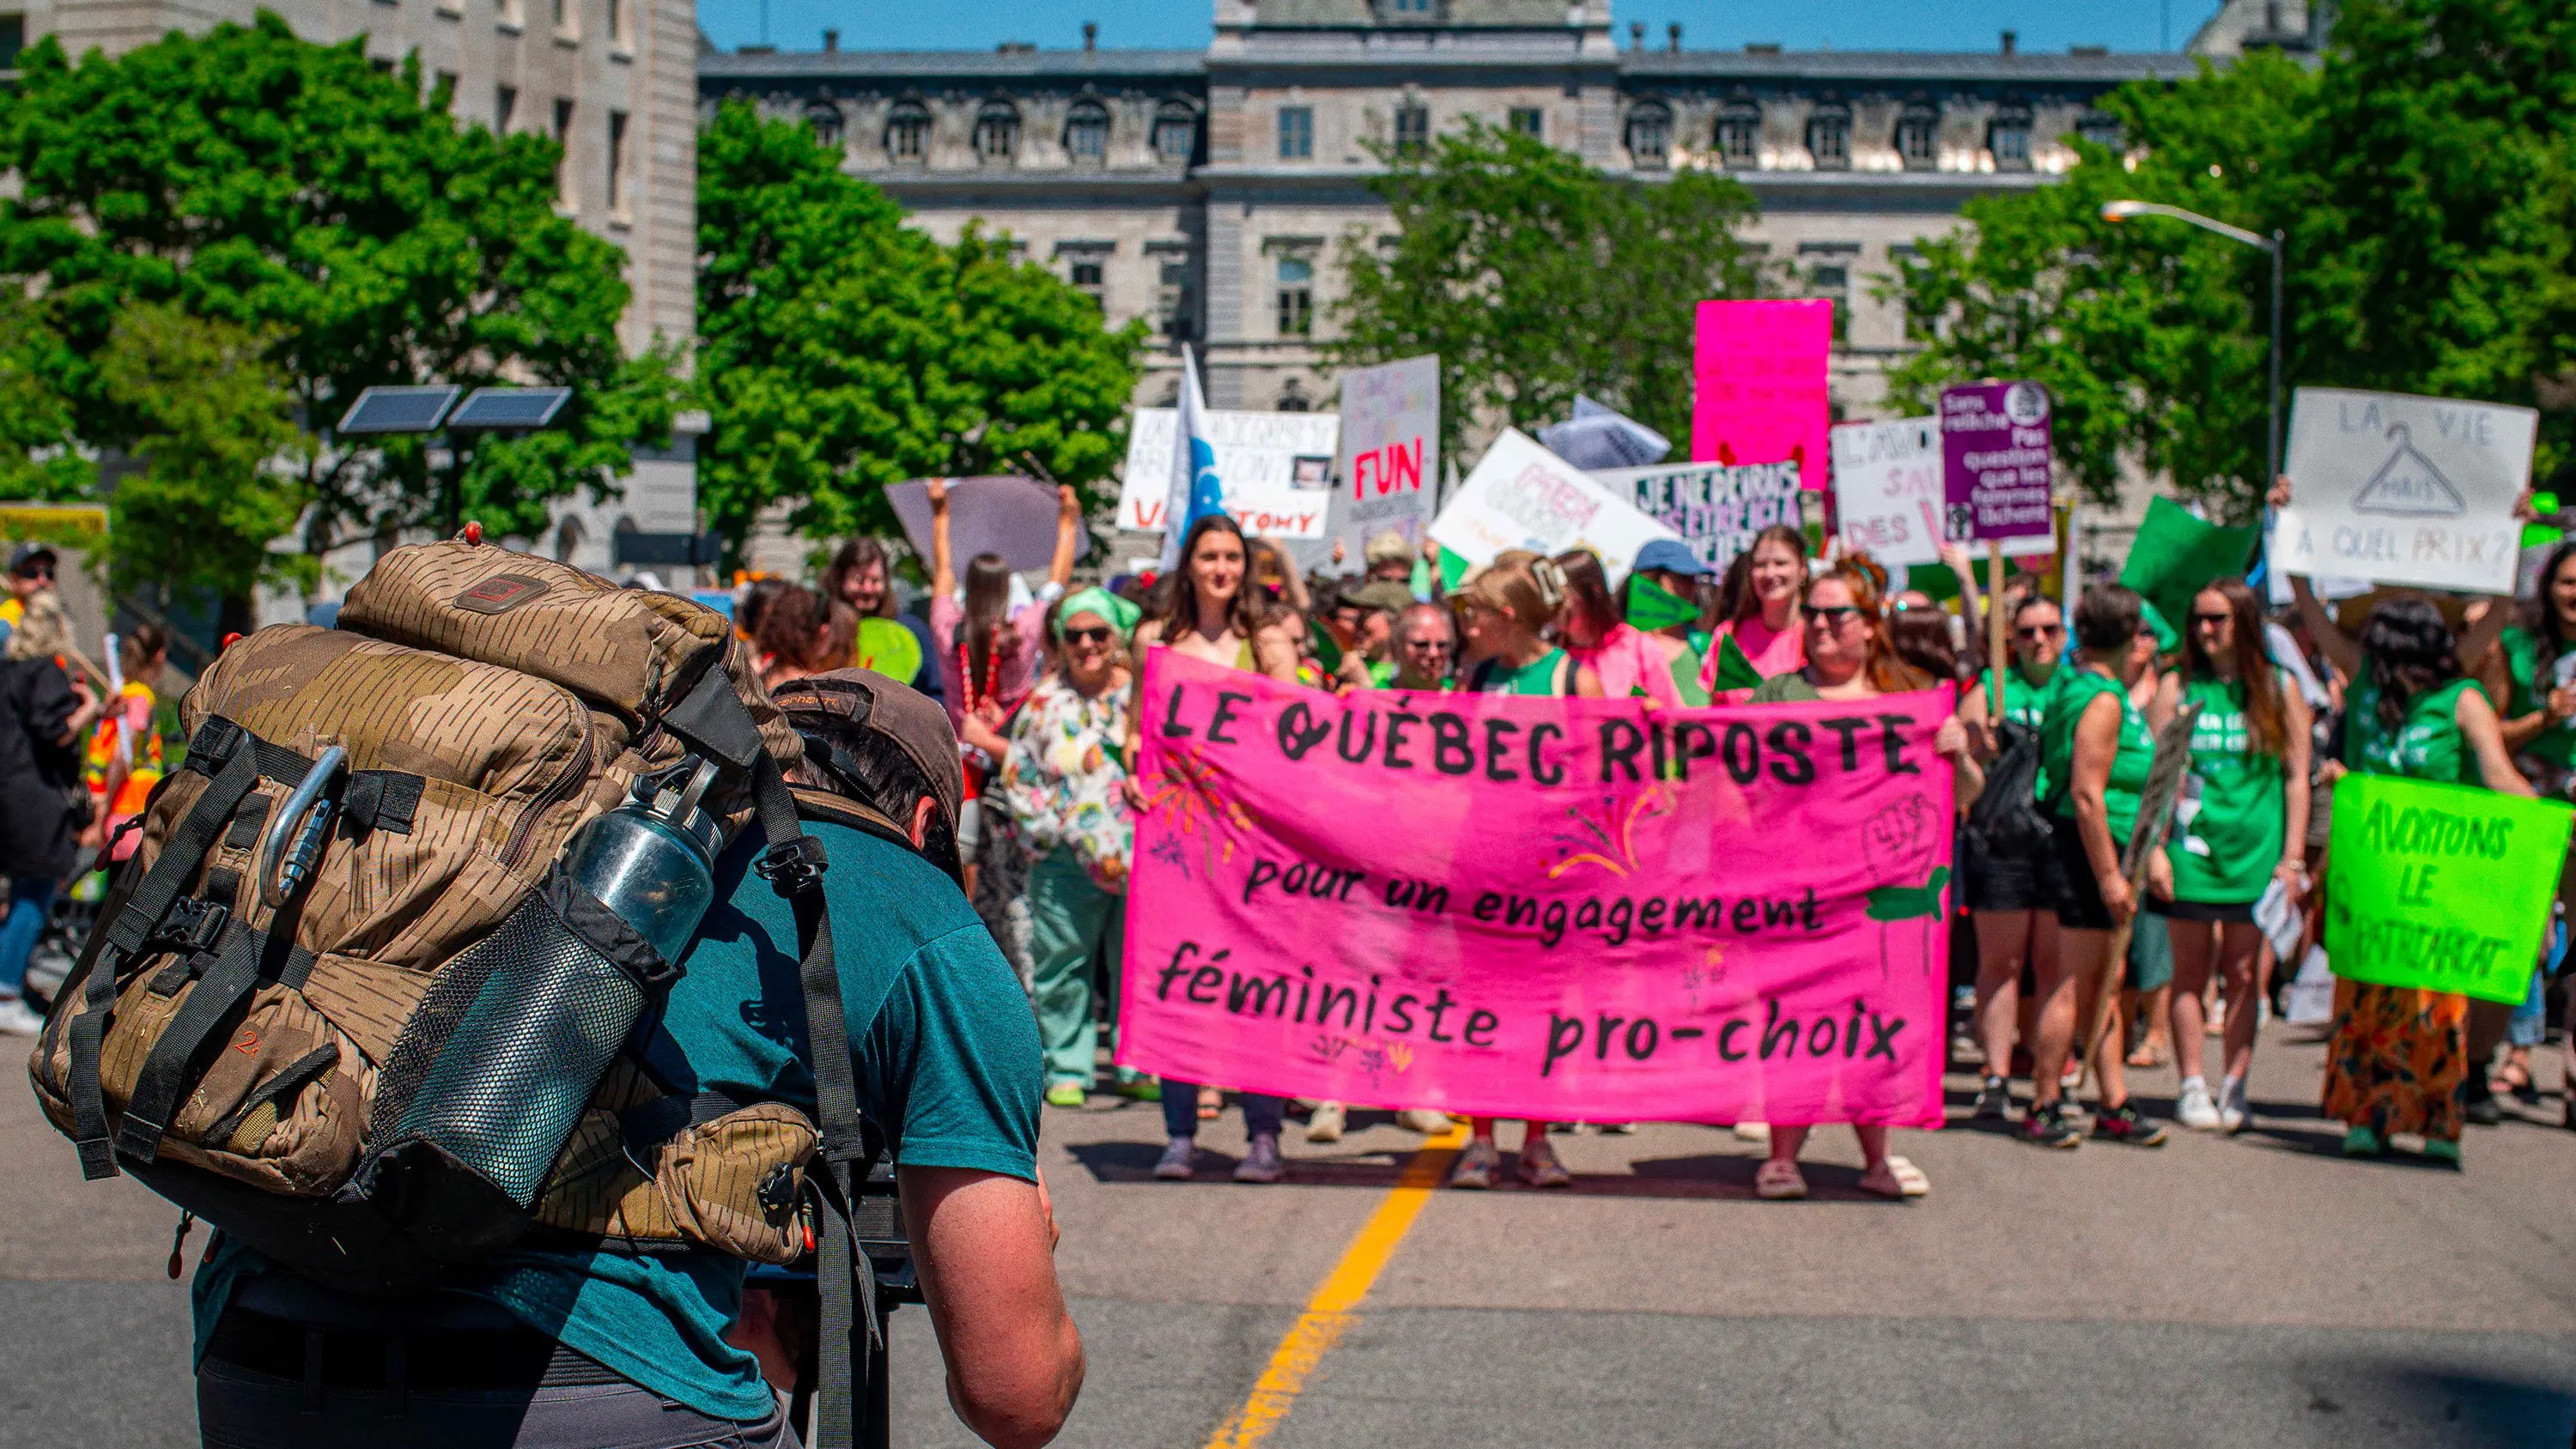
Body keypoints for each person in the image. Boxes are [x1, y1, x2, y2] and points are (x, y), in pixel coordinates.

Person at [193, 666, 1084, 1449]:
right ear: (926, 818)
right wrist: (1029, 1250)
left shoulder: (570, 832)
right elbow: (1015, 1397)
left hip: (257, 1356)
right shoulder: (915, 907)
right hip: (587, 1395)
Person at [1745, 562, 1982, 1198]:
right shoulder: (1777, 696)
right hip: (1799, 895)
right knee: (1791, 1023)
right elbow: (1741, 783)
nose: (1820, 625)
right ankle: (1783, 1156)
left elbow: (1963, 797)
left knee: (1876, 1023)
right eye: (1813, 614)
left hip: (1881, 900)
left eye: (1836, 615)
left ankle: (1877, 1157)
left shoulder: (1911, 696)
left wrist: (1958, 753)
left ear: (1871, 627)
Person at [2287, 587, 2531, 1162]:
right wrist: (2291, 537)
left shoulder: (2461, 700)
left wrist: (2554, 822)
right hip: (2371, 877)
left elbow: (2499, 776)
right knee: (2368, 998)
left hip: (2437, 884)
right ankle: (2365, 1115)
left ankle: (2437, 1120)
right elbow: (2321, 626)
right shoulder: (2367, 683)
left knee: (2436, 1003)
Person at [1124, 512, 1302, 1183]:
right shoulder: (1154, 640)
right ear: (1189, 565)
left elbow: (1297, 739)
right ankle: (1179, 1133)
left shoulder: (1269, 642)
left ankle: (1263, 1134)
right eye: (1210, 557)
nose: (1222, 569)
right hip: (1181, 843)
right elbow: (1137, 732)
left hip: (1256, 845)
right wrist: (1136, 779)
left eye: (1232, 557)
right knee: (1178, 978)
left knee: (1260, 989)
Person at [1443, 552, 1602, 1189]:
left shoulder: (1572, 680)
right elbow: (1443, 761)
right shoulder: (1475, 677)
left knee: (1542, 1010)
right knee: (1480, 1007)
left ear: (1504, 618)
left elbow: (1600, 780)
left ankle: (1537, 1138)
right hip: (1479, 866)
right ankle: (1480, 1138)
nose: (1465, 622)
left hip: (1548, 877)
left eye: (1472, 612)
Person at [2145, 579, 2312, 1132]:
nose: (2204, 629)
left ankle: (2235, 1085)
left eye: (2217, 618)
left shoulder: (2277, 685)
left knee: (2245, 974)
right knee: (2189, 971)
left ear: (2245, 621)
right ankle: (2192, 1083)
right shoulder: (2178, 684)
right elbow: (2158, 779)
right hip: (2190, 851)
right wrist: (2154, 852)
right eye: (2198, 618)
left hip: (2256, 855)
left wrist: (2291, 859)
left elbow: (2296, 778)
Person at [2024, 585, 2170, 1150]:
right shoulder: (2101, 699)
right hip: (2090, 851)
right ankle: (2045, 1100)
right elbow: (2087, 794)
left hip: (2103, 849)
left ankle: (2113, 1100)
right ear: (2131, 638)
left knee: (2105, 985)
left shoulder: (2086, 686)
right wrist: (2109, 875)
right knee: (2072, 983)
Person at [1000, 587, 1146, 1109]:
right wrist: (1047, 830)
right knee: (1062, 963)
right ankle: (1067, 1064)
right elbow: (1019, 771)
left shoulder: (1142, 698)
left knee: (1135, 964)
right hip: (1065, 861)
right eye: (1075, 634)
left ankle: (1134, 1061)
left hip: (1141, 858)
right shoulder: (1044, 701)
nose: (1087, 644)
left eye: (1098, 633)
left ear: (1117, 638)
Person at [1956, 593, 2069, 1122]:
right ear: (2011, 640)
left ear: (2064, 635)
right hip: (2001, 841)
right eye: (2026, 632)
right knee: (2000, 965)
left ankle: (2048, 1080)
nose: (2038, 641)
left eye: (2048, 630)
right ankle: (1996, 1076)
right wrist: (1980, 739)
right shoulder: (1990, 689)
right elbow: (1965, 769)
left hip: (2060, 840)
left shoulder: (2078, 690)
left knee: (2052, 967)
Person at [2493, 538, 2576, 1124]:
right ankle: (2519, 1049)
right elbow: (2492, 732)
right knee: (2528, 935)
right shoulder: (2518, 649)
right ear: (2548, 587)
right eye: (2569, 581)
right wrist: (2545, 717)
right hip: (2531, 799)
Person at [0, 592, 101, 1035]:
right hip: (36, 797)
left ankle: (10, 983)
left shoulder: (8, 670)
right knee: (34, 894)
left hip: (11, 791)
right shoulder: (45, 670)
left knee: (21, 892)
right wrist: (89, 710)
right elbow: (54, 730)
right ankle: (4, 990)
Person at [1552, 549, 1690, 705]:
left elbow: (1675, 716)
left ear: (1594, 592)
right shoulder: (1551, 656)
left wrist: (1651, 709)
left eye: (1561, 596)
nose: (1551, 606)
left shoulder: (1639, 648)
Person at [823, 536, 942, 704]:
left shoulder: (911, 629)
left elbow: (936, 692)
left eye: (875, 580)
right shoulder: (823, 628)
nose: (867, 589)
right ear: (840, 580)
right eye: (859, 580)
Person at [86, 623, 169, 861]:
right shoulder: (140, 698)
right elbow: (122, 756)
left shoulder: (123, 694)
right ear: (160, 655)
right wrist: (100, 818)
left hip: (113, 812)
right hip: (130, 816)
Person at [1701, 524, 1809, 700]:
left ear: (1802, 569)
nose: (1769, 573)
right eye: (1760, 565)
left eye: (1780, 563)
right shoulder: (1728, 635)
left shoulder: (1818, 635)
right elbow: (1709, 705)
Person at [1387, 602, 1457, 692]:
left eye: (1441, 645)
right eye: (1421, 645)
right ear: (1396, 646)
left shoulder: (1462, 693)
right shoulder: (1376, 699)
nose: (1434, 653)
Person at [0, 541, 56, 647]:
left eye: (49, 574)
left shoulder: (53, 621)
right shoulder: (5, 626)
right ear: (14, 580)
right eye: (32, 573)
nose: (42, 580)